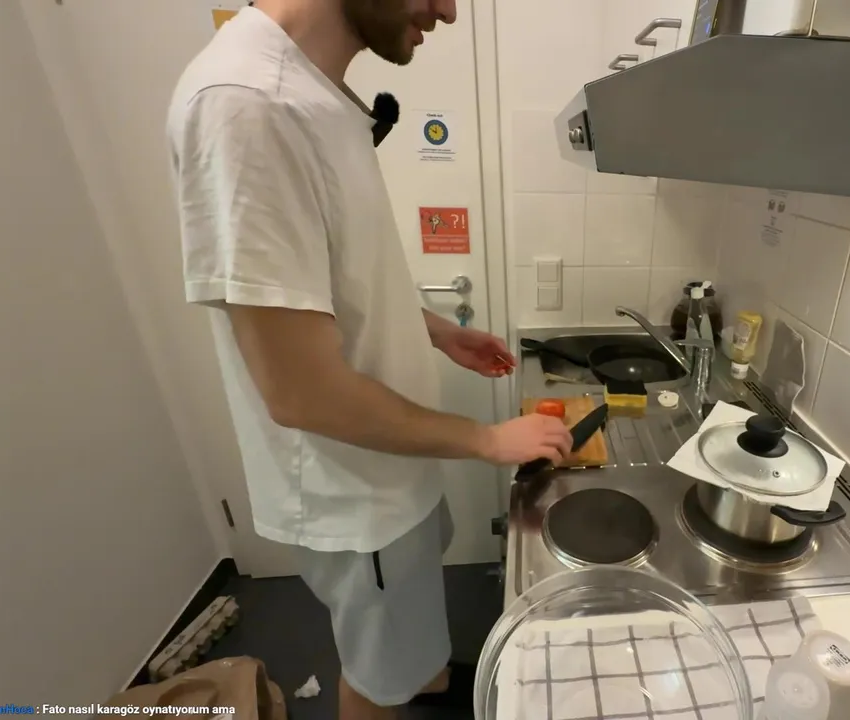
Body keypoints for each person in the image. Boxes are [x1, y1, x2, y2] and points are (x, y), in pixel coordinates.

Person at [165, 1, 574, 719]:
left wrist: (434, 331)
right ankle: (403, 686)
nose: (448, 11)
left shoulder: (314, 93)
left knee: (407, 633)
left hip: (389, 470)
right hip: (354, 490)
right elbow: (301, 393)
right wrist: (486, 440)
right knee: (375, 674)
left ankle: (428, 680)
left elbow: (331, 284)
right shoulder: (248, 105)